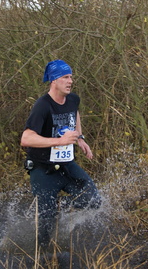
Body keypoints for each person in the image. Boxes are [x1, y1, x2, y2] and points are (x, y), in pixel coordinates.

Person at [20, 59, 102, 248]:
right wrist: (60, 141)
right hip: (43, 169)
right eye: (65, 77)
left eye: (71, 77)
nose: (70, 81)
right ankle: (42, 263)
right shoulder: (43, 105)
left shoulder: (73, 99)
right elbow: (26, 138)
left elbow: (74, 113)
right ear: (54, 80)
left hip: (67, 166)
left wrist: (79, 137)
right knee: (46, 227)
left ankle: (60, 206)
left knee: (93, 201)